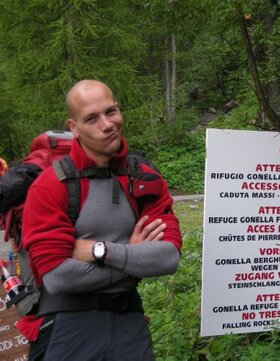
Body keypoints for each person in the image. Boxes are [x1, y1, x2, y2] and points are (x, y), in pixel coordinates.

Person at [21, 79, 182, 360]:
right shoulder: (50, 186)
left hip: (128, 321)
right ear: (74, 127)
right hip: (67, 326)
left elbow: (167, 258)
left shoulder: (145, 179)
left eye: (111, 112)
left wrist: (100, 251)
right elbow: (58, 278)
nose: (107, 124)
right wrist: (132, 257)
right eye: (92, 118)